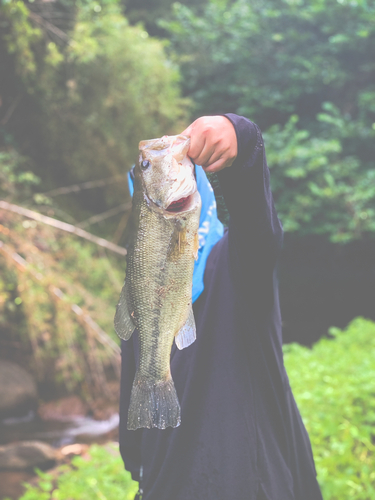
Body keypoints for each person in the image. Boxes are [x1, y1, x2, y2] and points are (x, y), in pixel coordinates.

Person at [119, 114, 323, 500]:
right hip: (167, 484)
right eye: (145, 172)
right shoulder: (141, 287)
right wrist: (140, 470)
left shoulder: (241, 263)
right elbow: (134, 389)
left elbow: (259, 225)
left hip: (250, 484)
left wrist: (241, 138)